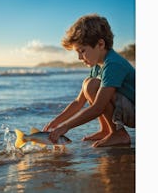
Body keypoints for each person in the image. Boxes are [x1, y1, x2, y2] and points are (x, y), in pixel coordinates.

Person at [43, 13, 135, 147]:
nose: (80, 58)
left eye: (82, 51)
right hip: (127, 109)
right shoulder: (99, 65)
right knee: (88, 84)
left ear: (100, 44)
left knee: (92, 85)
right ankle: (106, 130)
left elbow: (98, 107)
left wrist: (66, 127)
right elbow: (78, 102)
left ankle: (118, 133)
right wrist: (57, 122)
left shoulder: (113, 64)